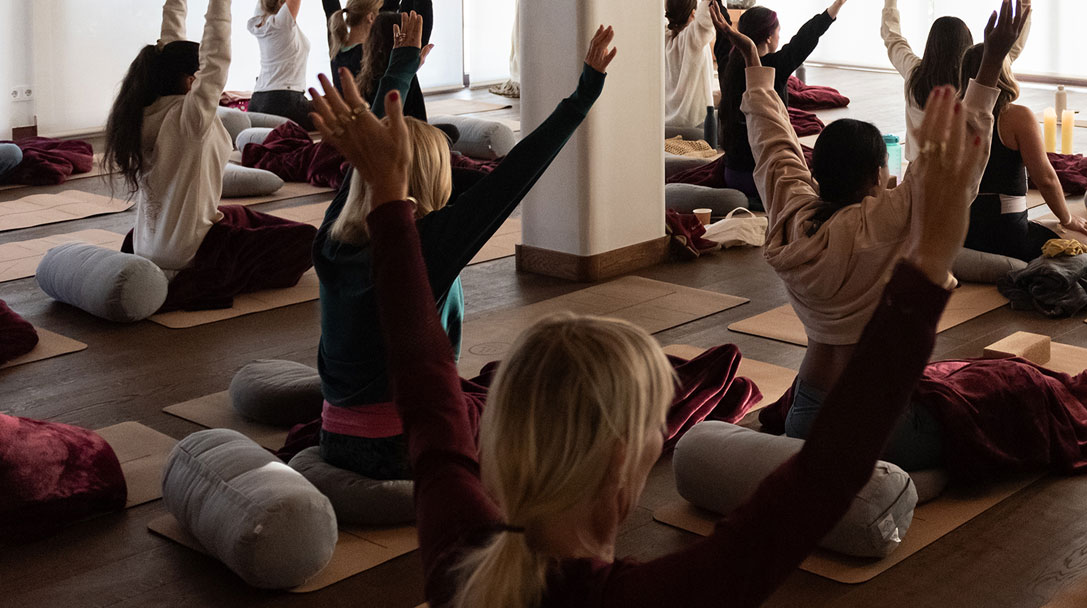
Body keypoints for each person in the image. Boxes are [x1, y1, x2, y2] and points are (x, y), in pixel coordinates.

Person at [314, 30, 980, 608]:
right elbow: (822, 480)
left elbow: (424, 375)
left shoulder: (456, 554)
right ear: (621, 466)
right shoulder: (652, 599)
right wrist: (927, 266)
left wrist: (388, 200)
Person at [721, 0, 1019, 471]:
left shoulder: (793, 215)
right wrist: (988, 69)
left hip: (806, 414)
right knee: (1007, 406)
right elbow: (954, 170)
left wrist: (755, 66)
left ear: (817, 173)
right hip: (881, 425)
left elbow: (772, 143)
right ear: (878, 174)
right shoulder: (882, 221)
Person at [310, 21, 616, 480]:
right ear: (431, 178)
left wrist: (401, 67)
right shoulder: (427, 244)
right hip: (405, 444)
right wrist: (584, 94)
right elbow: (516, 173)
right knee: (562, 403)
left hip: (333, 435)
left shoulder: (331, 237)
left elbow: (367, 150)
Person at [105, 0, 313, 311]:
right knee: (307, 240)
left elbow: (170, 53)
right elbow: (216, 60)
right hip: (190, 251)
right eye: (197, 76)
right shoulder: (190, 118)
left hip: (146, 243)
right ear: (191, 81)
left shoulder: (143, 111)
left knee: (239, 214)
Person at [878, 0, 1031, 161]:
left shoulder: (914, 73)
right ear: (966, 45)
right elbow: (1010, 49)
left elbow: (892, 36)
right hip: (956, 181)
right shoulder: (977, 78)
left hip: (916, 176)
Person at [716, 0, 849, 210]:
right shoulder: (775, 67)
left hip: (731, 172)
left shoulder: (728, 64)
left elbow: (723, 32)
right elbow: (806, 38)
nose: (781, 35)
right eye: (778, 30)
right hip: (761, 176)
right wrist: (836, 7)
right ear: (768, 36)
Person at [959, 41, 1087, 258]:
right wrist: (1067, 219)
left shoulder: (951, 115)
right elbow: (1045, 178)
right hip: (1008, 235)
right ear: (1004, 72)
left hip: (962, 233)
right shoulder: (1017, 116)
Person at [355, 0, 435, 123]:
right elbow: (421, 22)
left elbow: (388, 19)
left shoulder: (366, 66)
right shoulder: (398, 74)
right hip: (407, 142)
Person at [245, 0, 312, 126]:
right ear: (283, 2)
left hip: (257, 101)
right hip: (285, 101)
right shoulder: (282, 24)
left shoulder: (259, 21)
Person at [665, 0, 722, 142]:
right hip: (692, 125)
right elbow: (708, 11)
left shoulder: (663, 34)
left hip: (666, 121)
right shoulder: (693, 38)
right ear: (692, 14)